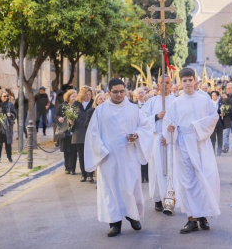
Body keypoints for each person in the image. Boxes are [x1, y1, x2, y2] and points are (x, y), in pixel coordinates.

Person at [84, 78, 153, 237]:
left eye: (122, 91)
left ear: (126, 91)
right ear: (108, 92)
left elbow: (145, 127)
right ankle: (114, 223)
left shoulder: (133, 109)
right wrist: (101, 151)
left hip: (129, 156)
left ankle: (133, 217)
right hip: (108, 159)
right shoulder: (101, 111)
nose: (119, 94)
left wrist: (137, 135)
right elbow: (92, 134)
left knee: (130, 188)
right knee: (111, 190)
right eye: (115, 92)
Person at [163, 68, 220, 234]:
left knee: (205, 178)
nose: (188, 83)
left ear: (195, 81)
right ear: (180, 83)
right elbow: (169, 122)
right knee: (188, 182)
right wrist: (170, 128)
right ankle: (191, 219)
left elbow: (213, 117)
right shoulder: (176, 103)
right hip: (184, 145)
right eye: (184, 80)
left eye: (190, 80)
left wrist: (197, 127)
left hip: (201, 143)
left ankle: (204, 216)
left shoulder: (204, 100)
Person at [141, 75, 175, 212]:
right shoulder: (152, 102)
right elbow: (142, 120)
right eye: (162, 83)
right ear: (157, 85)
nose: (165, 85)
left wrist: (170, 135)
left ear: (171, 85)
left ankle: (169, 197)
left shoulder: (176, 101)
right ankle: (157, 199)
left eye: (167, 83)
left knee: (171, 170)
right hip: (156, 139)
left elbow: (180, 121)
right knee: (156, 170)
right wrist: (156, 117)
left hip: (171, 141)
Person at [72, 86, 94, 182]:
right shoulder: (76, 104)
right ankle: (83, 175)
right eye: (86, 95)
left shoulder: (93, 103)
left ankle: (90, 175)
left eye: (89, 94)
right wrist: (70, 120)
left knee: (90, 154)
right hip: (79, 132)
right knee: (81, 155)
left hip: (90, 132)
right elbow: (71, 115)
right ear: (82, 95)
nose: (88, 96)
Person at [54, 89, 78, 175]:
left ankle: (73, 168)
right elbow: (55, 116)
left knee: (73, 150)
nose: (74, 98)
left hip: (75, 131)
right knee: (66, 150)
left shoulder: (77, 106)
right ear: (68, 97)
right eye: (73, 96)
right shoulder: (62, 106)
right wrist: (58, 118)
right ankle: (67, 167)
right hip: (65, 131)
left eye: (76, 96)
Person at [0, 90, 17, 163]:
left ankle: (9, 157)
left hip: (7, 127)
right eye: (4, 96)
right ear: (0, 97)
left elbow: (15, 114)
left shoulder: (10, 104)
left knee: (8, 144)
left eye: (7, 96)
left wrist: (10, 115)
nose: (6, 97)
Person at [210, 91, 224, 155]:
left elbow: (225, 110)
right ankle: (212, 150)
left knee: (219, 136)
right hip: (212, 121)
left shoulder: (221, 103)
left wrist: (223, 113)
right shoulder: (209, 103)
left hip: (219, 121)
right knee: (212, 137)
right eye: (212, 95)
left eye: (214, 95)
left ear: (218, 96)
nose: (213, 96)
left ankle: (219, 149)